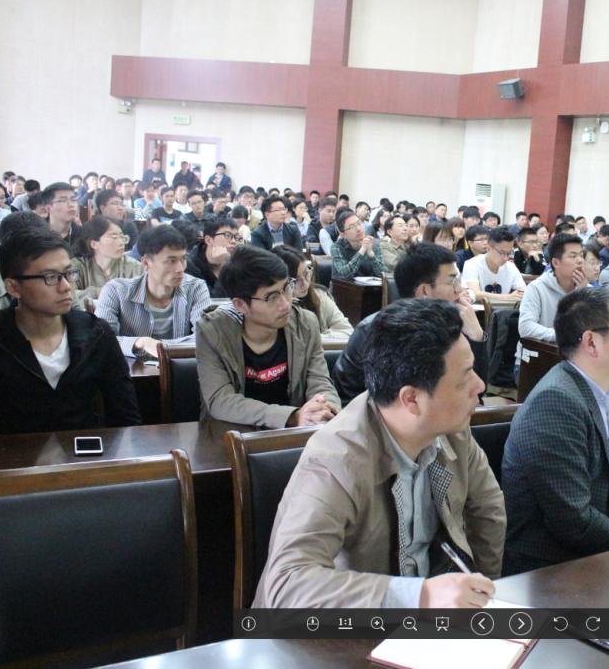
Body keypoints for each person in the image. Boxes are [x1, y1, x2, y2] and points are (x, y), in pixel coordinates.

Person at [253, 298, 505, 608]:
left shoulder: (452, 430)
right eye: (465, 377)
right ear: (411, 399)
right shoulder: (335, 459)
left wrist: (485, 594)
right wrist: (420, 596)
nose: (480, 386)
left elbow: (488, 511)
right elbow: (286, 586)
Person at [503, 288, 609, 575]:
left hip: (595, 553)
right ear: (591, 342)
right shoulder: (556, 402)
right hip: (552, 570)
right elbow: (572, 521)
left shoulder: (599, 393)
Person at [0, 228, 141, 434]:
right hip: (11, 452)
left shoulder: (96, 333)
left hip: (81, 450)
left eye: (69, 273)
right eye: (50, 277)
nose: (66, 286)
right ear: (13, 287)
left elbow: (126, 416)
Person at [195, 246, 341, 428]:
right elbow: (221, 400)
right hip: (231, 433)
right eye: (271, 297)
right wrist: (291, 416)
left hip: (293, 433)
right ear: (240, 305)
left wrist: (324, 410)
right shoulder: (213, 331)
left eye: (286, 288)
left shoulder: (305, 323)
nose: (285, 304)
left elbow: (320, 381)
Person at [333, 243, 485, 406]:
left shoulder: (452, 324)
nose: (459, 289)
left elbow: (477, 390)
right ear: (424, 291)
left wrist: (476, 335)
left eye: (459, 280)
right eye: (452, 282)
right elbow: (357, 399)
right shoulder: (376, 331)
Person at [95, 225, 211, 358]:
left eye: (183, 259)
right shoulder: (116, 291)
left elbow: (207, 338)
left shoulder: (196, 287)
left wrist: (157, 346)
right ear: (146, 262)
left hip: (179, 369)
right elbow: (101, 341)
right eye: (171, 261)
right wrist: (142, 342)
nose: (180, 268)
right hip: (131, 370)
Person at [518, 233, 588, 346]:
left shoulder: (586, 289)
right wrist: (561, 336)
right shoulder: (536, 288)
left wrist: (583, 295)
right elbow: (525, 327)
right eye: (573, 256)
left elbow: (596, 327)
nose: (580, 260)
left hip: (576, 353)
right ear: (555, 263)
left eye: (581, 255)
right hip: (542, 352)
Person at [272, 245, 352, 338]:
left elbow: (347, 331)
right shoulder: (274, 307)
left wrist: (315, 339)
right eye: (296, 280)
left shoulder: (320, 296)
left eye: (306, 274)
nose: (305, 283)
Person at [71, 216, 143, 303]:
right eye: (114, 237)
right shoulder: (78, 266)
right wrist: (99, 292)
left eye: (122, 237)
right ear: (94, 244)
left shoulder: (134, 267)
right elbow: (69, 295)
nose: (121, 243)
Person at [461, 227, 526, 302]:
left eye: (509, 253)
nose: (505, 258)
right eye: (501, 253)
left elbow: (524, 291)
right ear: (488, 248)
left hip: (503, 309)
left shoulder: (510, 267)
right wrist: (508, 297)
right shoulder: (472, 264)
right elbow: (475, 294)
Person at [186, 218, 240, 298]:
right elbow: (211, 301)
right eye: (228, 235)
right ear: (209, 240)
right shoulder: (190, 265)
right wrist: (224, 269)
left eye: (236, 237)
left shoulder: (237, 259)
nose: (234, 241)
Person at [331, 209, 387, 278]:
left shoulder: (373, 243)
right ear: (343, 234)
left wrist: (372, 256)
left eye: (359, 223)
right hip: (343, 284)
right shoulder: (337, 247)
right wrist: (362, 251)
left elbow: (384, 274)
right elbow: (345, 274)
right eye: (352, 227)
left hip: (368, 285)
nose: (358, 229)